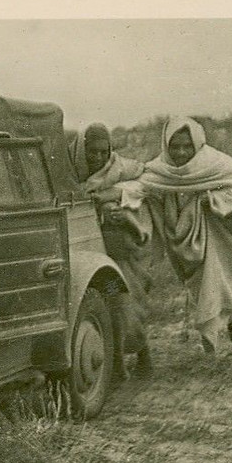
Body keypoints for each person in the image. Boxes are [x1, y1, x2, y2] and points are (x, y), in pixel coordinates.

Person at [138, 116, 232, 362]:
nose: (181, 152)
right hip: (197, 246)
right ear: (166, 145)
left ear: (198, 144)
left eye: (187, 146)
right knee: (211, 288)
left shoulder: (217, 164)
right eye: (175, 146)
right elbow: (141, 189)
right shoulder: (159, 171)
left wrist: (216, 202)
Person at [69, 123, 153, 377]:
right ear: (81, 151)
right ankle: (116, 363)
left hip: (121, 249)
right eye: (92, 152)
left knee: (125, 302)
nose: (98, 158)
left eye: (103, 152)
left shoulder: (121, 169)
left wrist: (115, 199)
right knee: (107, 305)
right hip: (88, 250)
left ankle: (140, 357)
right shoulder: (70, 172)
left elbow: (145, 183)